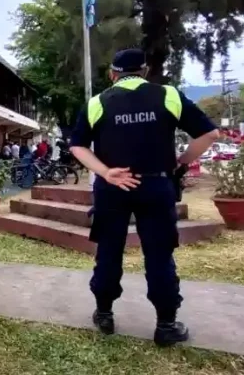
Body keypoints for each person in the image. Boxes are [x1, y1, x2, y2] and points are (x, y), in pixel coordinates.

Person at [69, 48, 218, 347]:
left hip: (113, 189)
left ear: (113, 75)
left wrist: (106, 172)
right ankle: (166, 324)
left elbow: (78, 146)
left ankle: (104, 313)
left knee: (109, 250)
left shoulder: (98, 102)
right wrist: (181, 161)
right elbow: (209, 135)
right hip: (156, 186)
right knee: (160, 255)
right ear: (145, 71)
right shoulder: (169, 95)